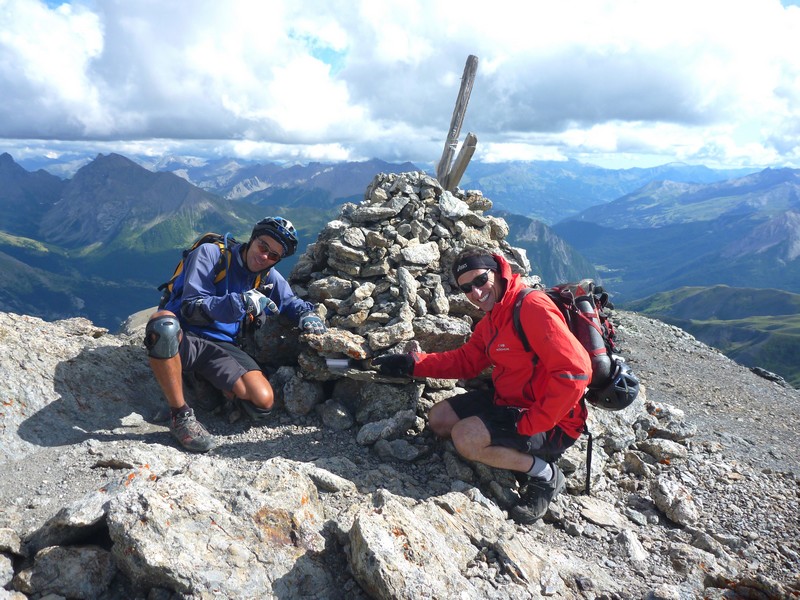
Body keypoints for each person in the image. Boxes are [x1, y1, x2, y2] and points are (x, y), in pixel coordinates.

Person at [373, 248, 591, 523]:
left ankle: (546, 475)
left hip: (553, 420)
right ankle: (509, 451)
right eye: (466, 288)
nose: (475, 293)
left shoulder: (532, 308)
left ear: (498, 273)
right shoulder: (492, 320)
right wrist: (413, 363)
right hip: (510, 401)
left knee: (465, 436)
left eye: (480, 281)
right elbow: (465, 361)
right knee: (440, 419)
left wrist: (532, 424)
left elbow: (575, 371)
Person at [144, 216, 326, 453]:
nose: (264, 257)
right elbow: (191, 308)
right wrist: (239, 302)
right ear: (253, 239)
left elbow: (289, 300)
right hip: (185, 335)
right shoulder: (212, 255)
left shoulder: (266, 275)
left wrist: (306, 315)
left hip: (221, 345)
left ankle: (199, 380)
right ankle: (180, 416)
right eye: (263, 246)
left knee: (262, 402)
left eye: (273, 256)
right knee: (162, 327)